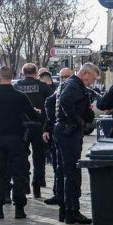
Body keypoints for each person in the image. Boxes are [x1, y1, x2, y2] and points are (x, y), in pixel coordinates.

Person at [0, 66, 38, 219]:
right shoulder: (20, 96)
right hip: (16, 139)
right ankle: (19, 210)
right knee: (18, 173)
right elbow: (33, 116)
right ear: (12, 78)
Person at [54, 63, 100, 225]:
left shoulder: (70, 83)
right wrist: (78, 121)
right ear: (85, 74)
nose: (93, 82)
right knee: (72, 172)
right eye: (93, 78)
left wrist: (86, 116)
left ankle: (66, 210)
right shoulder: (74, 85)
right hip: (69, 132)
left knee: (64, 171)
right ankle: (71, 211)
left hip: (63, 130)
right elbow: (65, 101)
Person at [13, 63, 54, 198]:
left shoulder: (16, 87)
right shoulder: (44, 87)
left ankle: (24, 184)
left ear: (23, 73)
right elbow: (51, 106)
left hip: (21, 127)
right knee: (39, 158)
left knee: (22, 156)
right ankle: (37, 186)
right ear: (36, 73)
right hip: (39, 127)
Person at [42, 67, 73, 207]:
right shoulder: (59, 90)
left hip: (69, 133)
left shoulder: (72, 89)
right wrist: (49, 126)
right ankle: (58, 194)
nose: (64, 79)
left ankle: (63, 195)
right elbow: (49, 104)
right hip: (58, 132)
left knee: (63, 166)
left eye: (67, 76)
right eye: (61, 77)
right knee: (57, 165)